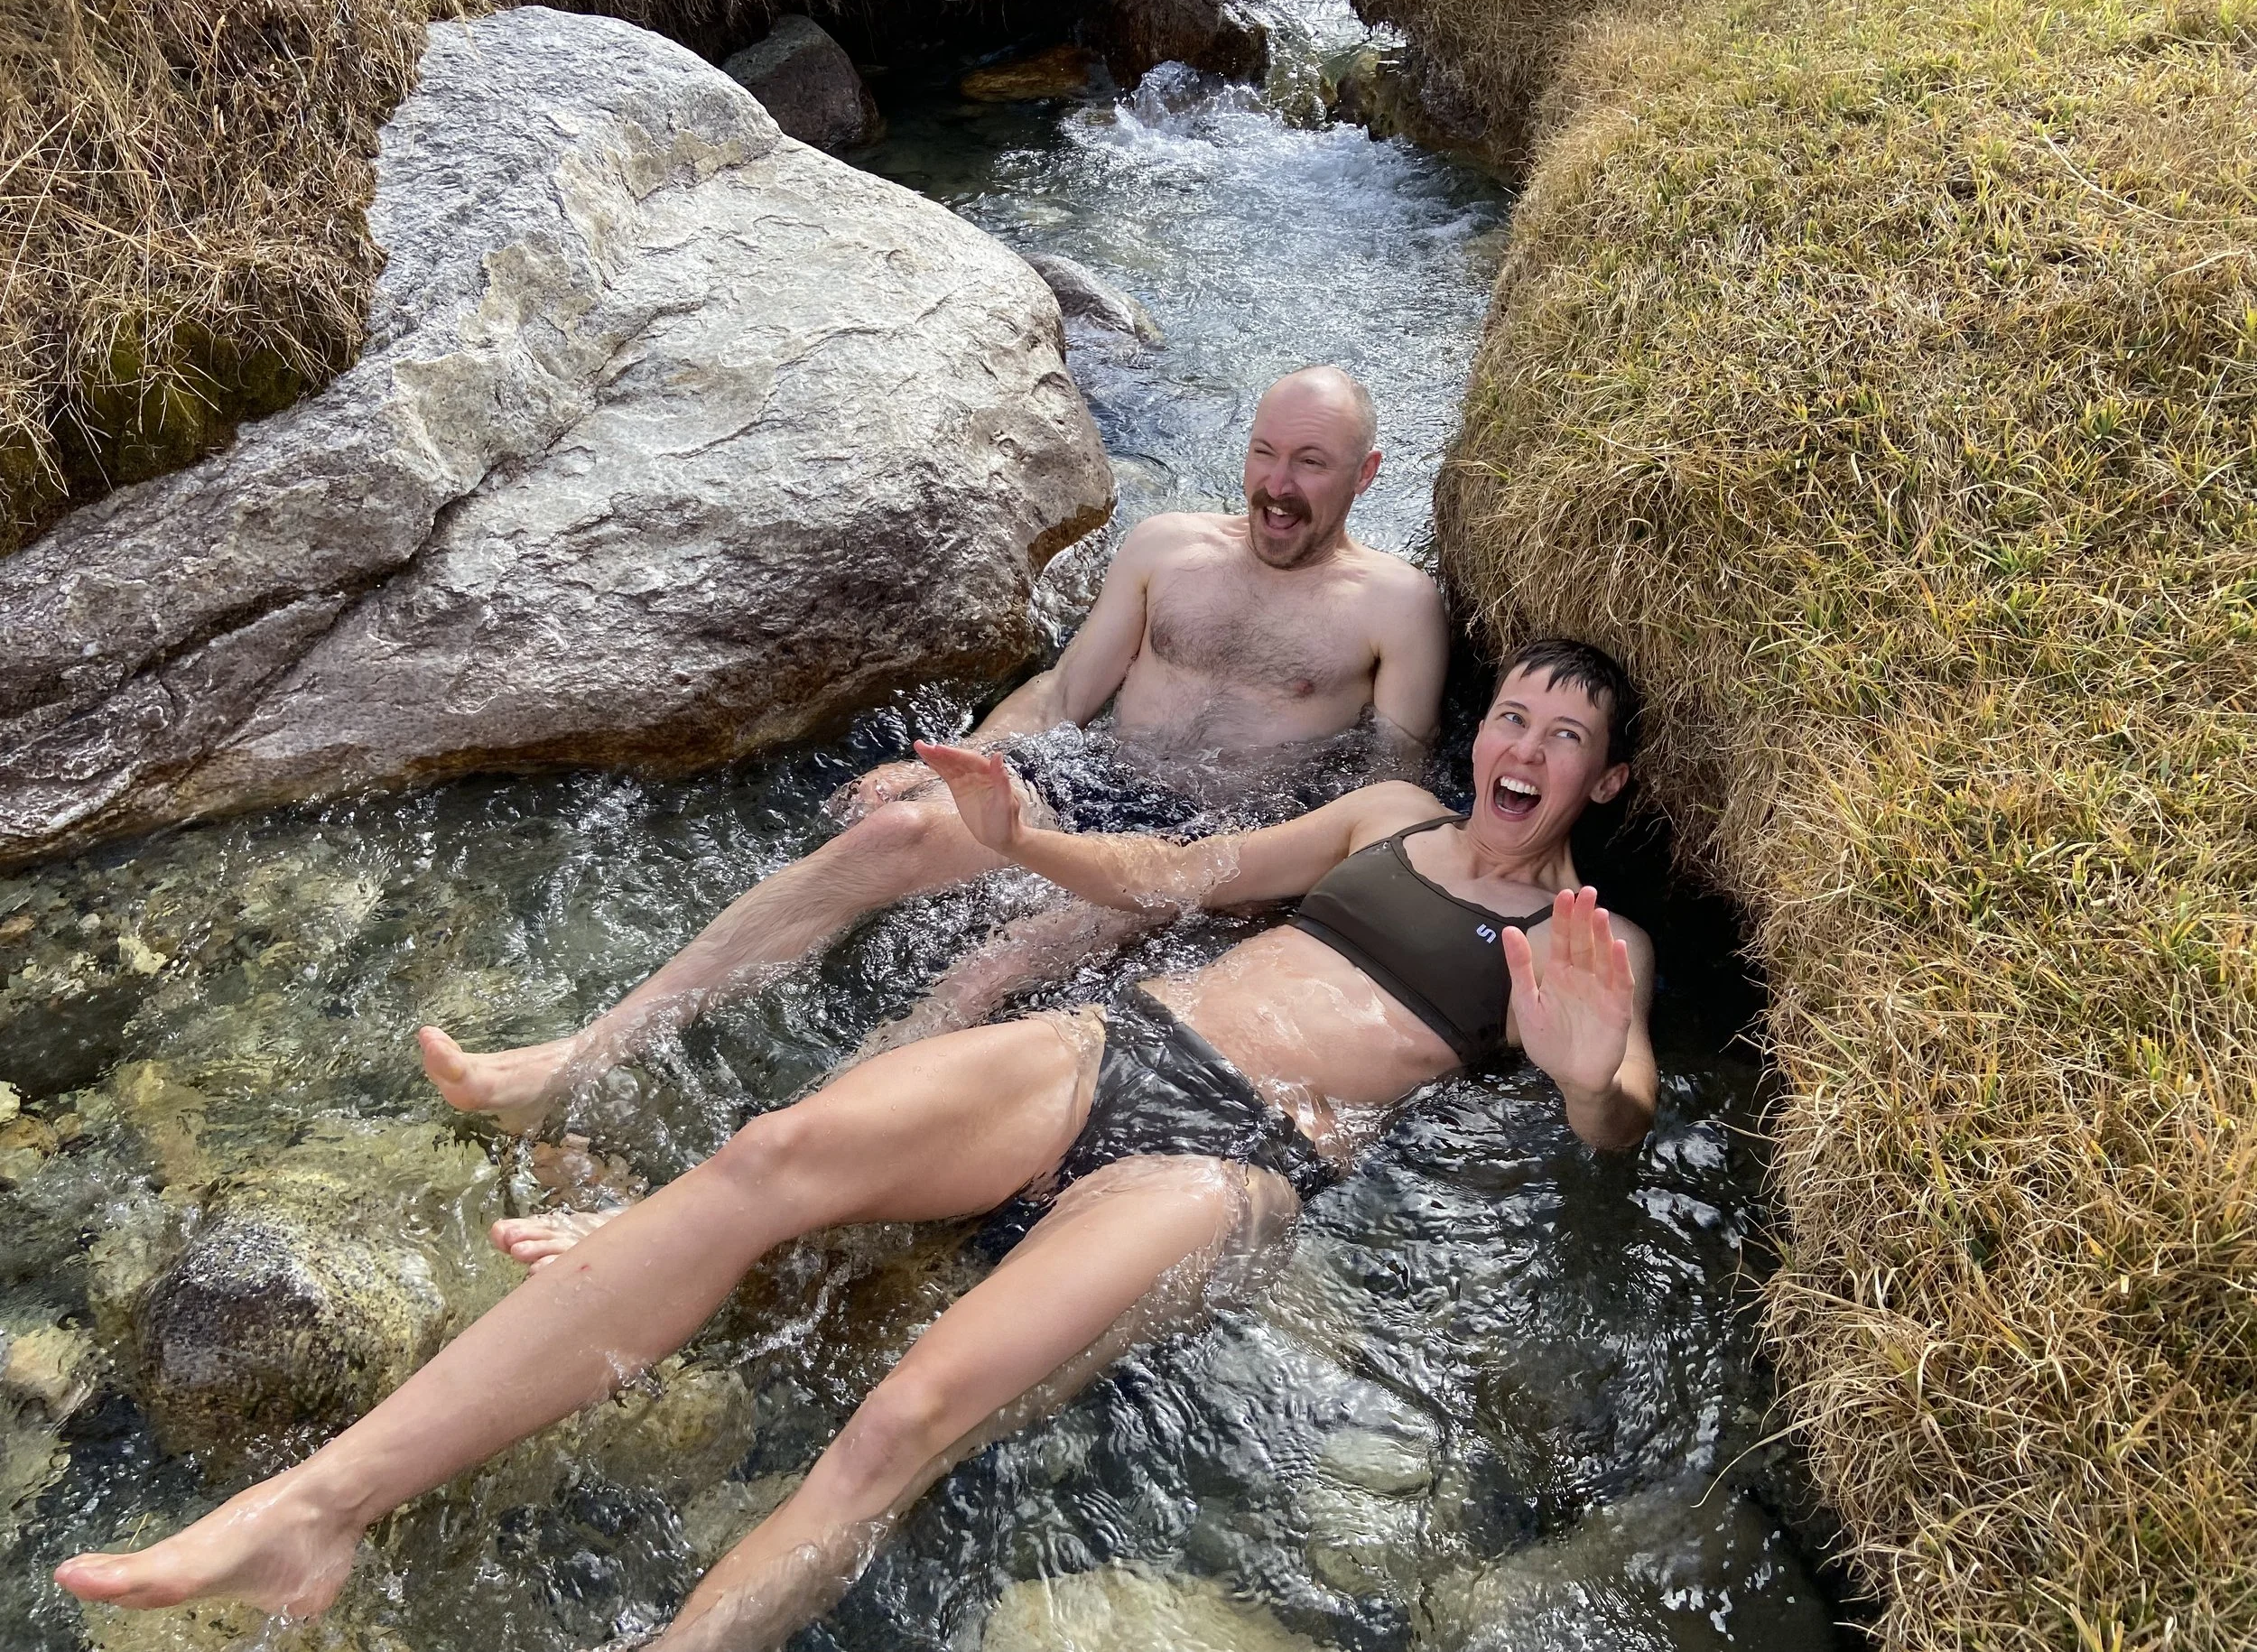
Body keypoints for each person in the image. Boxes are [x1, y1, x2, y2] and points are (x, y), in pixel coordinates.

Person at [57, 639, 1656, 1652]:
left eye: (1564, 734)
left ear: (1606, 776)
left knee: (902, 1421)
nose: (1526, 745)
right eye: (1514, 712)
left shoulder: (1594, 945)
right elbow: (1182, 868)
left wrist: (1589, 1075)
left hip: (1238, 1165)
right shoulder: (1384, 823)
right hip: (1125, 1041)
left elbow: (1616, 1114)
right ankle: (316, 1512)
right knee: (765, 1160)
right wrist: (1025, 838)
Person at [416, 365, 1450, 1135]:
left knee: (990, 968)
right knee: (894, 836)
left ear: (1364, 474)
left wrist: (1256, 897)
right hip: (1090, 792)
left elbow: (1387, 797)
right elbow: (1063, 695)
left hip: (1200, 854)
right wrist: (965, 761)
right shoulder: (1168, 549)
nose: (1278, 484)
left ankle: (788, 1147)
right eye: (1266, 452)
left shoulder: (1396, 609)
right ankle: (582, 1059)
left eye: (1310, 463)